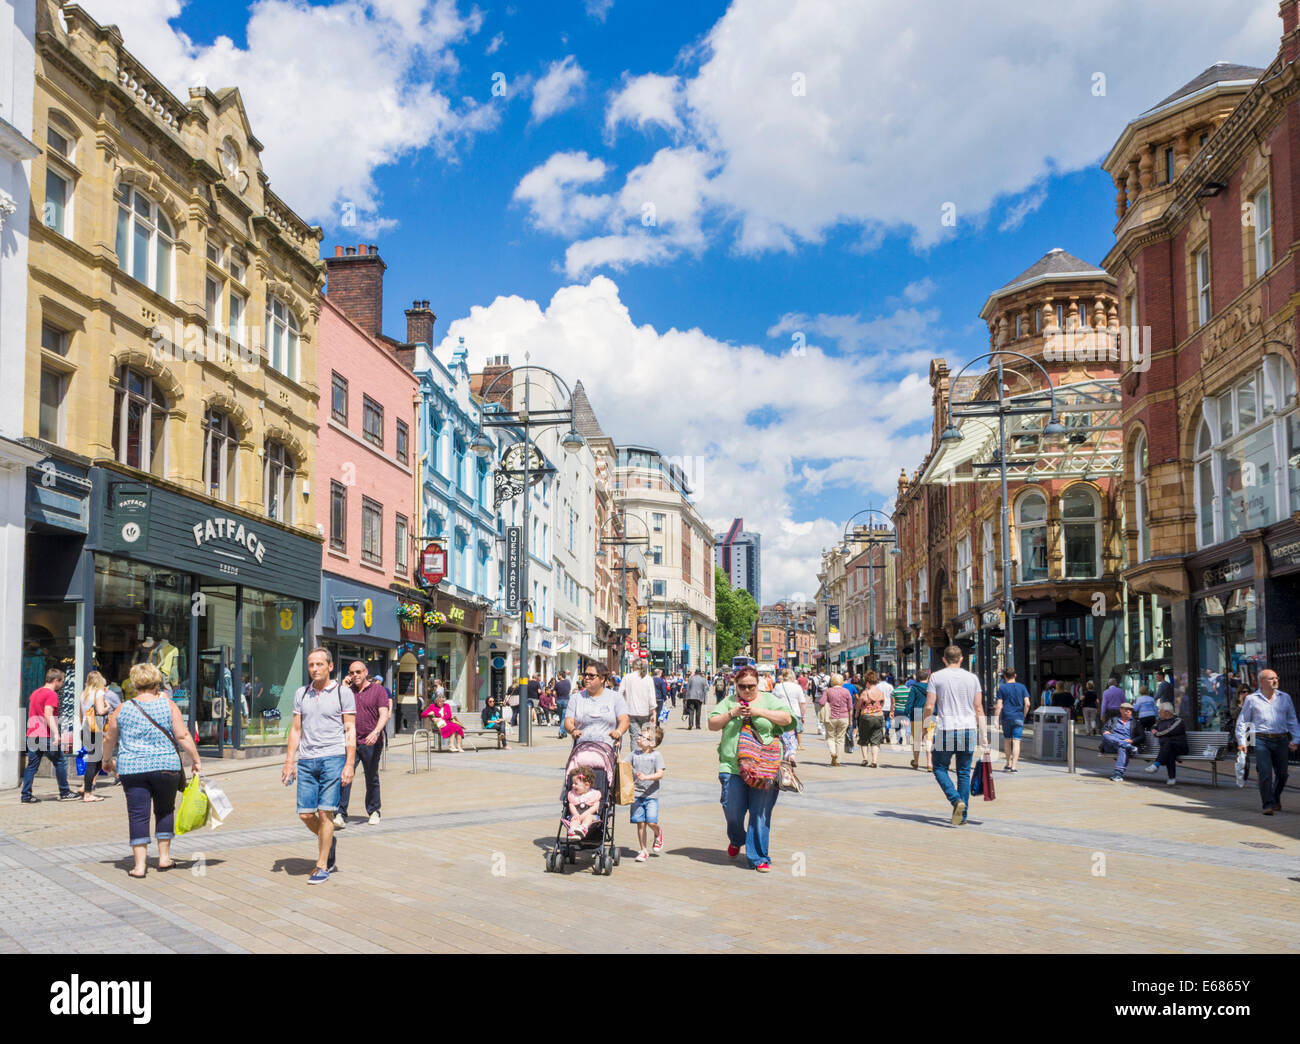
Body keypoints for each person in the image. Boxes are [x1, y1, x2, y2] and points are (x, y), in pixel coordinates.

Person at [101, 662, 202, 878]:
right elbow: (183, 736)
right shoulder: (168, 705)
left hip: (133, 768)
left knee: (138, 815)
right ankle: (164, 859)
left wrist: (107, 760)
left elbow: (109, 737)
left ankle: (139, 866)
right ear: (156, 682)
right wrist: (195, 759)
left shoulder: (123, 708)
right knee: (165, 809)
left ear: (134, 683)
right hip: (166, 767)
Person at [708, 665, 793, 872]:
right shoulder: (728, 702)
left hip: (764, 766)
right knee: (732, 810)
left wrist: (758, 711)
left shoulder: (769, 700)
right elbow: (712, 723)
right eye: (742, 686)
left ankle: (759, 857)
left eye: (751, 686)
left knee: (760, 813)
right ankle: (737, 838)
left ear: (758, 685)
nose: (747, 690)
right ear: (735, 685)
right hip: (732, 766)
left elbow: (788, 719)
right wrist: (732, 713)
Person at [282, 648, 356, 885]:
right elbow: (295, 730)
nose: (314, 669)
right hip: (306, 760)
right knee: (305, 814)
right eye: (311, 665)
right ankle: (329, 838)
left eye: (319, 664)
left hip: (333, 758)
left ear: (330, 666)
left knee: (325, 812)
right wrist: (288, 761)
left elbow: (350, 730)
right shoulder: (301, 693)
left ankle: (322, 865)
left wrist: (350, 763)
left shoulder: (342, 693)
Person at [924, 646, 986, 826]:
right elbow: (979, 708)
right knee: (964, 772)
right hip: (968, 729)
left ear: (944, 659)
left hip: (946, 729)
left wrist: (925, 727)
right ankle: (962, 815)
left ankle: (955, 800)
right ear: (961, 659)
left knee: (939, 768)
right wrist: (983, 734)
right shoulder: (973, 678)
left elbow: (929, 706)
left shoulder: (936, 676)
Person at [1235, 669, 1299, 816]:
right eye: (1271, 679)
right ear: (1261, 682)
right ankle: (1267, 804)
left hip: (1281, 739)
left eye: (1276, 678)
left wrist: (1296, 739)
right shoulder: (1252, 699)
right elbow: (1243, 721)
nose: (1275, 680)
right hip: (1261, 739)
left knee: (1282, 774)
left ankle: (1275, 797)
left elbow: (1292, 720)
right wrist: (1242, 741)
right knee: (1265, 773)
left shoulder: (1285, 697)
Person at [337, 661, 390, 826]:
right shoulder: (346, 692)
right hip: (351, 740)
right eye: (352, 672)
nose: (355, 675)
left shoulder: (378, 690)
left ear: (366, 672)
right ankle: (340, 813)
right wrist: (343, 687)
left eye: (358, 672)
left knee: (371, 776)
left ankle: (374, 811)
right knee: (345, 776)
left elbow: (384, 713)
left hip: (371, 741)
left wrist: (376, 732)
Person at [21, 668, 74, 803]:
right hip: (45, 735)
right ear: (55, 681)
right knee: (60, 762)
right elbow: (48, 714)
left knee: (32, 766)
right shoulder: (51, 694)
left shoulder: (35, 693)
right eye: (62, 681)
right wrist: (56, 733)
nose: (62, 685)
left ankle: (25, 795)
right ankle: (65, 792)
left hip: (33, 734)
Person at [566, 663, 629, 750]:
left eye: (591, 675)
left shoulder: (615, 697)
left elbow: (624, 719)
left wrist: (618, 732)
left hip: (607, 750)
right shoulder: (575, 698)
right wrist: (573, 730)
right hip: (581, 750)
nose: (587, 678)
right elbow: (568, 721)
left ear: (602, 679)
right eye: (585, 675)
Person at [630, 726, 666, 861]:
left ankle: (658, 832)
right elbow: (623, 763)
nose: (638, 737)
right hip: (637, 794)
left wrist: (646, 777)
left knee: (651, 822)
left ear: (652, 743)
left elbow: (660, 773)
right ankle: (643, 850)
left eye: (642, 736)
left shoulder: (656, 756)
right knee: (640, 823)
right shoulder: (634, 754)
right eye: (639, 734)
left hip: (651, 796)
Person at [77, 671, 110, 802]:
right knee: (93, 762)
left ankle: (85, 787)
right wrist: (108, 707)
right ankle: (88, 793)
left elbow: (81, 715)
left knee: (96, 761)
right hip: (94, 730)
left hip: (85, 729)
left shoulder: (83, 694)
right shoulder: (99, 693)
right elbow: (101, 711)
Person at [993, 667, 1031, 772]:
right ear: (1015, 675)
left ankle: (1008, 763)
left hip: (1006, 717)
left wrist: (996, 719)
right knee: (1016, 741)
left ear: (1004, 677)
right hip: (1018, 717)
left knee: (1007, 741)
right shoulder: (1022, 687)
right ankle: (1014, 767)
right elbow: (1027, 704)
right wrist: (1024, 715)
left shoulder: (1002, 688)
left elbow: (999, 705)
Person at [1100, 702, 1146, 782]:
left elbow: (1142, 736)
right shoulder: (1113, 720)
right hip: (1111, 745)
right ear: (1121, 710)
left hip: (1125, 744)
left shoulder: (1135, 722)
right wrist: (1105, 732)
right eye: (1126, 710)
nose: (1128, 711)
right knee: (1106, 736)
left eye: (1130, 710)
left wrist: (1132, 741)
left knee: (1123, 748)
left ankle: (1118, 775)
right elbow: (1104, 730)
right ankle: (1125, 745)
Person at [1144, 702, 1188, 785]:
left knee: (1168, 742)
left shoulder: (1178, 721)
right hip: (1169, 748)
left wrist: (1157, 734)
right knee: (1170, 752)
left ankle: (1156, 764)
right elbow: (1153, 727)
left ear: (1167, 712)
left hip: (1180, 747)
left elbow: (1169, 731)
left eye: (1160, 711)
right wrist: (1154, 730)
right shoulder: (1160, 721)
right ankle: (1171, 778)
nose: (1158, 712)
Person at [618, 658, 657, 751]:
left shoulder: (627, 677)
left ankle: (635, 758)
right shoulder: (648, 678)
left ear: (633, 667)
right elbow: (652, 697)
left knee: (635, 737)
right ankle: (646, 754)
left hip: (631, 712)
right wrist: (654, 712)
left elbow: (619, 693)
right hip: (646, 712)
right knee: (647, 736)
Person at [817, 673, 854, 766]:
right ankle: (838, 761)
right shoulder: (846, 691)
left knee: (830, 737)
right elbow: (850, 707)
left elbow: (821, 702)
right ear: (841, 681)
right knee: (840, 739)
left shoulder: (828, 691)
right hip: (844, 717)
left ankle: (833, 752)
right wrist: (850, 720)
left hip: (831, 717)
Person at [856, 670, 889, 768]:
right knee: (876, 739)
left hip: (866, 717)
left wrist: (858, 712)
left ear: (867, 682)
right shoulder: (881, 693)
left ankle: (865, 759)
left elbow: (858, 705)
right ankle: (874, 761)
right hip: (878, 716)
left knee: (864, 738)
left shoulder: (865, 693)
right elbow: (882, 704)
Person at [771, 668, 804, 760]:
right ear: (792, 677)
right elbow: (802, 703)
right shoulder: (797, 687)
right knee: (794, 734)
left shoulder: (778, 687)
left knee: (783, 734)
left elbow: (772, 700)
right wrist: (802, 714)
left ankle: (785, 752)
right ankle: (792, 752)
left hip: (782, 713)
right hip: (795, 713)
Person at [564, 767, 602, 840]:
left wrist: (585, 814)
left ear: (587, 785)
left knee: (589, 817)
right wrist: (575, 814)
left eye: (576, 784)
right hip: (577, 815)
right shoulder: (573, 795)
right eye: (572, 783)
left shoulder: (594, 794)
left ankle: (583, 828)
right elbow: (571, 804)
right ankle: (573, 831)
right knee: (574, 820)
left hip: (590, 815)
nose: (573, 785)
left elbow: (595, 806)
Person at [906, 668, 932, 770]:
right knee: (928, 739)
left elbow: (909, 702)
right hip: (929, 714)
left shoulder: (914, 688)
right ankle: (929, 763)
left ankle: (916, 761)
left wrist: (905, 713)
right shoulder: (931, 688)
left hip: (916, 713)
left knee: (917, 739)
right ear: (928, 677)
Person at [890, 677, 913, 746]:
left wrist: (891, 711)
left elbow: (893, 703)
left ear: (899, 682)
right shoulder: (909, 691)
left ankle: (899, 738)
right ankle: (908, 735)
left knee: (897, 724)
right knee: (907, 723)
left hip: (898, 710)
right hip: (907, 709)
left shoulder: (894, 691)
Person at [553, 670, 572, 739]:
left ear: (561, 675)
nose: (557, 676)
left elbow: (554, 693)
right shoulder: (568, 682)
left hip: (559, 701)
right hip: (566, 700)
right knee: (564, 718)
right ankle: (562, 732)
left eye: (558, 675)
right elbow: (569, 691)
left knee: (561, 717)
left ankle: (562, 732)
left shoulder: (557, 684)